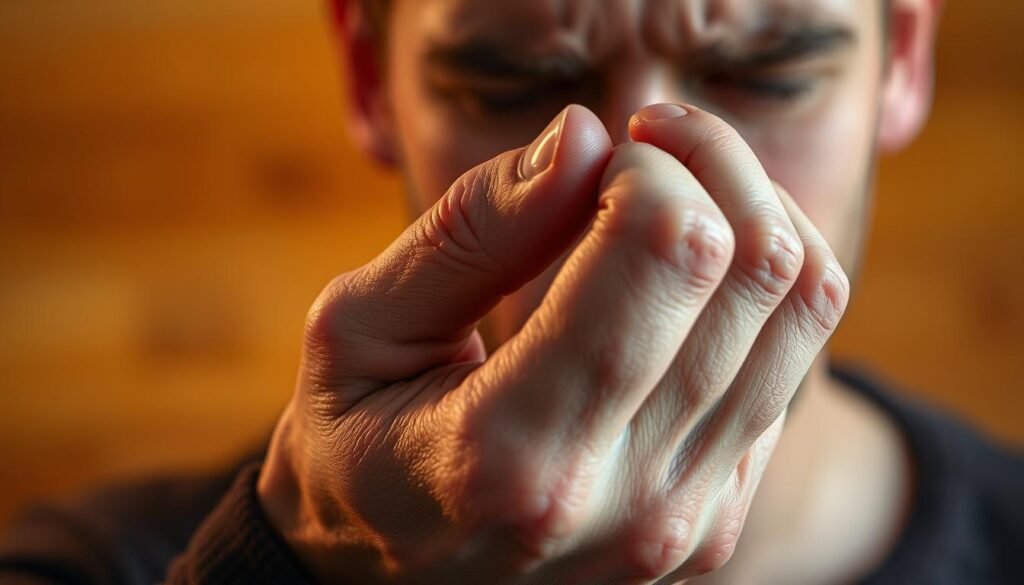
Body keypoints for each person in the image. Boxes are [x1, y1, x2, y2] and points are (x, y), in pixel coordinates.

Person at [1, 0, 1021, 583]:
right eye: (504, 85)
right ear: (368, 82)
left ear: (904, 60)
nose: (647, 203)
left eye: (768, 71)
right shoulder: (96, 564)